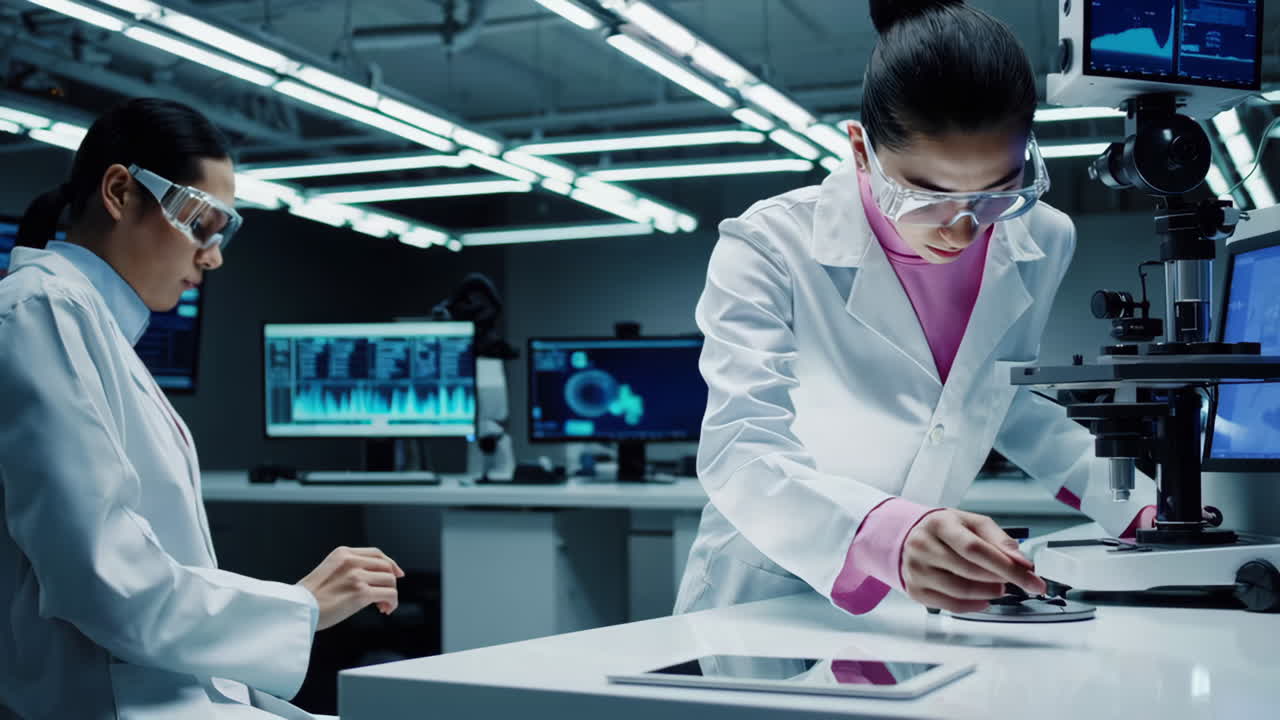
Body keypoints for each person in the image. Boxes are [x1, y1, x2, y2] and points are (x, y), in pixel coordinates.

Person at [675, 0, 1159, 618]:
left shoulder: (1045, 236)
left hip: (922, 596)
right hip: (765, 587)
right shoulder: (768, 245)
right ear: (860, 151)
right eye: (925, 193)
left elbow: (1002, 396)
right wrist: (888, 535)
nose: (961, 228)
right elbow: (740, 450)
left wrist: (1142, 507)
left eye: (997, 190)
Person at [0, 98, 402, 720]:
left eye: (225, 232)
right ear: (119, 192)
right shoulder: (42, 309)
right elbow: (104, 581)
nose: (212, 256)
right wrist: (304, 604)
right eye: (201, 222)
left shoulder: (87, 324)